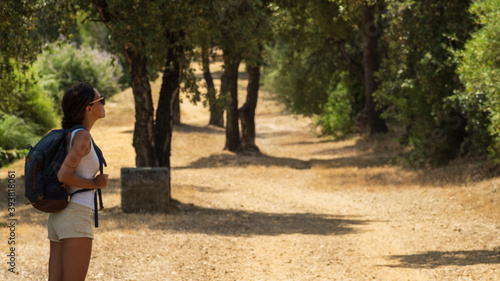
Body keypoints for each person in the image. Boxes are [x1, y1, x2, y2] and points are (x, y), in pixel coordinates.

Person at [47, 82, 109, 281]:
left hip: (59, 217)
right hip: (75, 215)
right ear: (89, 108)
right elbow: (64, 175)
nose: (104, 103)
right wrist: (95, 184)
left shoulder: (70, 134)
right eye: (101, 100)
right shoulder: (82, 136)